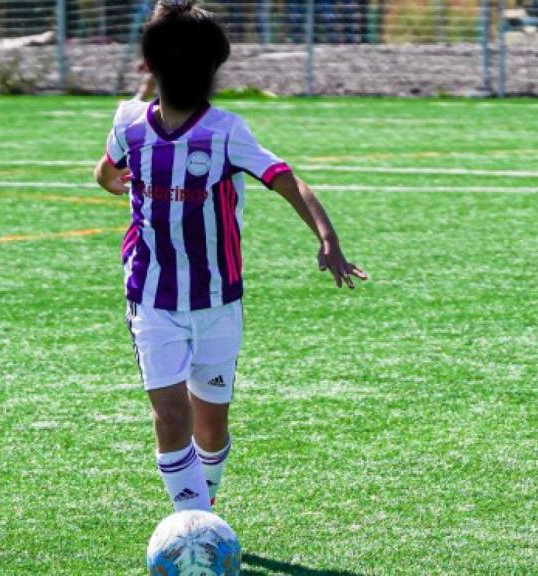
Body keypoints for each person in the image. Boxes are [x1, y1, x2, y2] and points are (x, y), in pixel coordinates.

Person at [94, 0, 366, 512]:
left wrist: (328, 238)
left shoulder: (225, 132)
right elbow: (106, 168)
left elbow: (286, 181)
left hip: (219, 299)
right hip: (151, 295)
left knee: (211, 426)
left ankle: (204, 504)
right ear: (154, 68)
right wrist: (113, 181)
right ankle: (192, 523)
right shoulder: (129, 122)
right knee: (172, 416)